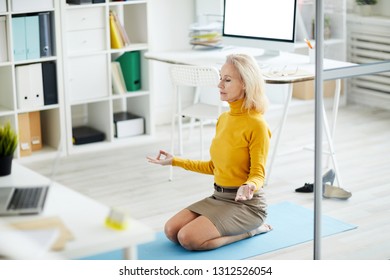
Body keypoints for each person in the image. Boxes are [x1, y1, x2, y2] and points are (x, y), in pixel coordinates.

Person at [147, 53, 272, 251]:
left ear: (246, 83)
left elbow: (258, 174)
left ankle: (250, 231)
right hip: (218, 197)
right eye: (220, 78)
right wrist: (174, 161)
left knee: (188, 238)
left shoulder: (257, 124)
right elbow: (214, 167)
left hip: (247, 206)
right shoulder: (224, 119)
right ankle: (236, 228)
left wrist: (249, 185)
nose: (219, 85)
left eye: (227, 80)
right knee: (171, 230)